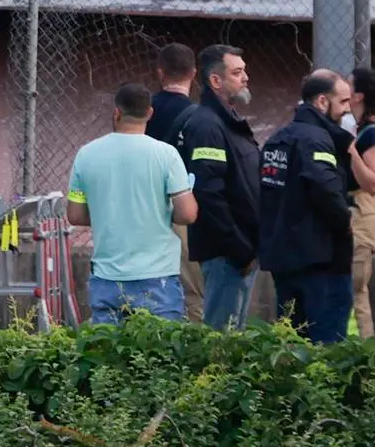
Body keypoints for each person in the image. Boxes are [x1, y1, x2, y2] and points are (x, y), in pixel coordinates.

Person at [67, 83, 198, 322]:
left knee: (108, 354)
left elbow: (75, 215)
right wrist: (162, 213)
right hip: (158, 277)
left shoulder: (86, 154)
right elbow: (188, 214)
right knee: (160, 353)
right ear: (149, 113)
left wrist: (105, 211)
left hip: (107, 277)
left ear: (116, 112)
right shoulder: (166, 154)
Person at [259, 71, 357, 343]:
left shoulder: (277, 139)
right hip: (319, 259)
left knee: (292, 340)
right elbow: (325, 188)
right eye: (344, 101)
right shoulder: (316, 139)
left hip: (284, 257)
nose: (348, 109)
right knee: (327, 343)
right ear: (323, 102)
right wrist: (345, 218)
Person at [175, 44, 262, 332]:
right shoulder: (208, 126)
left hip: (241, 252)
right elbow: (208, 195)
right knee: (221, 341)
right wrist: (239, 248)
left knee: (232, 337)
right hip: (228, 254)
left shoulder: (230, 124)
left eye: (245, 71)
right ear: (216, 81)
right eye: (237, 72)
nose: (246, 77)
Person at [148, 42, 203, 322]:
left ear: (160, 73)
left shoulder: (141, 112)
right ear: (194, 73)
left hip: (143, 209)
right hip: (182, 209)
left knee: (145, 286)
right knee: (192, 289)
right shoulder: (199, 117)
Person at [346, 66, 375, 339]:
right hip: (355, 218)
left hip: (361, 219)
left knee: (356, 294)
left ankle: (363, 353)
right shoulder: (361, 129)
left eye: (348, 87)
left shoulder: (373, 133)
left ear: (359, 96)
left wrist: (350, 152)